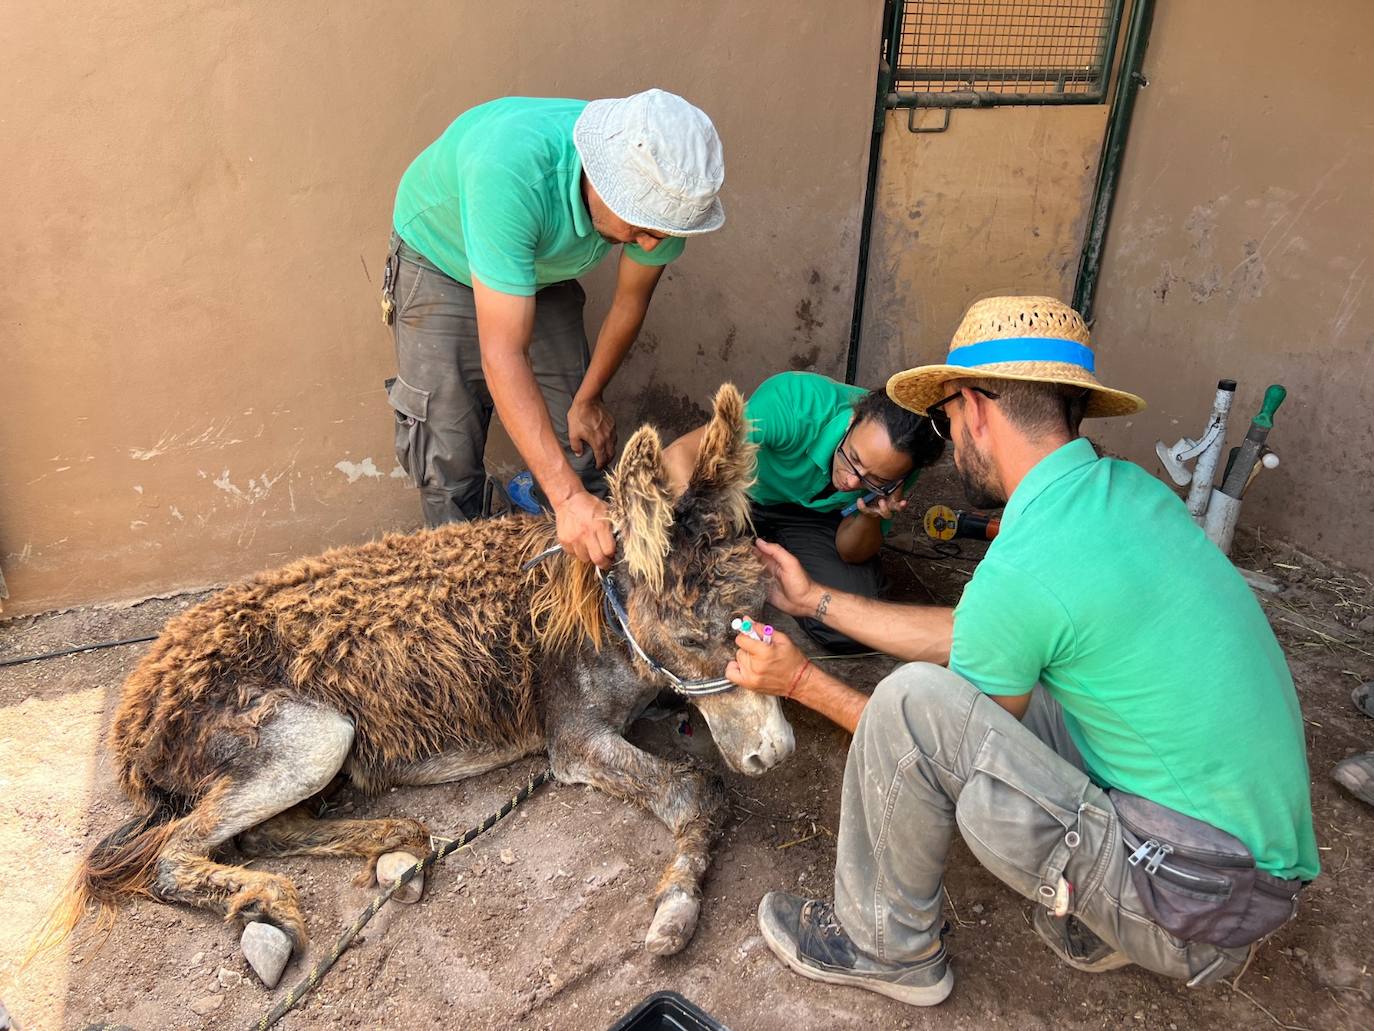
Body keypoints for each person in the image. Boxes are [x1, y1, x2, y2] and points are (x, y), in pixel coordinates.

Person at [725, 296, 1319, 1006]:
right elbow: (982, 635)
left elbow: (934, 733)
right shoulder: (1130, 494)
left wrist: (800, 681)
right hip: (1248, 869)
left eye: (946, 416)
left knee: (913, 700)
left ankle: (885, 946)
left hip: (1199, 903)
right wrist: (813, 602)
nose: (949, 433)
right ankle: (1108, 913)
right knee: (1029, 685)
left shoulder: (1030, 561)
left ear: (976, 407)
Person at [382, 89, 725, 568]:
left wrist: (589, 397)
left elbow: (630, 301)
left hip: (540, 267)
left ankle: (578, 576)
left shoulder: (667, 201)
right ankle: (466, 585)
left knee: (579, 439)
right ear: (603, 180)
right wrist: (564, 499)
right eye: (642, 226)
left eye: (663, 233)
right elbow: (502, 354)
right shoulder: (510, 170)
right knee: (448, 449)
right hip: (443, 256)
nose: (650, 244)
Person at [662, 373, 943, 652]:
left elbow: (851, 552)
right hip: (738, 500)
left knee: (848, 630)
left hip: (813, 519)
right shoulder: (794, 403)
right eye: (853, 458)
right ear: (852, 418)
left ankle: (775, 563)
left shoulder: (899, 468)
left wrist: (868, 515)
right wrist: (708, 536)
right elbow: (679, 454)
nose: (852, 482)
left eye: (876, 479)